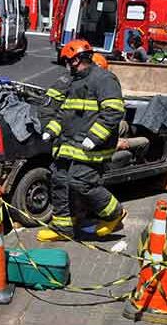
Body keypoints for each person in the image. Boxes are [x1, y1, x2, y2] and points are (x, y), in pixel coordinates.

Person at [40, 39, 127, 241]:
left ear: (77, 59)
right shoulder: (75, 82)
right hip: (71, 142)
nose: (67, 66)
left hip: (93, 145)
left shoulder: (104, 79)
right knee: (59, 178)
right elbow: (65, 113)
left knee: (80, 180)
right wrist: (51, 131)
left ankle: (114, 214)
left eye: (69, 62)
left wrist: (93, 138)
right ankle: (63, 229)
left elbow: (113, 112)